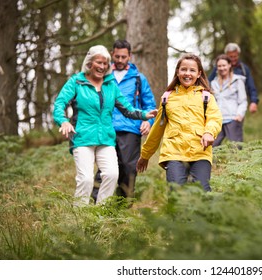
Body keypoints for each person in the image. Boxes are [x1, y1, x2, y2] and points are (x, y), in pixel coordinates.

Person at [53, 45, 157, 206]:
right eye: (98, 62)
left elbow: (127, 109)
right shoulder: (76, 81)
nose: (102, 67)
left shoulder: (110, 85)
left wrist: (145, 115)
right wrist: (64, 121)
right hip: (83, 137)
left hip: (106, 138)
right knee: (86, 179)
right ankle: (79, 218)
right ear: (89, 63)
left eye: (105, 63)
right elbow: (59, 104)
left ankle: (100, 214)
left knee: (111, 174)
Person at [136, 53, 222, 192]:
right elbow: (157, 129)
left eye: (192, 70)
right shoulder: (167, 98)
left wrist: (209, 132)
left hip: (200, 152)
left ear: (199, 74)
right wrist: (145, 155)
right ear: (177, 72)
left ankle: (202, 214)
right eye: (184, 69)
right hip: (174, 153)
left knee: (202, 191)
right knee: (176, 192)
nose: (187, 73)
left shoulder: (206, 97)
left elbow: (214, 118)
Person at [92, 39, 156, 202]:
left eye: (123, 57)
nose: (120, 60)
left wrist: (148, 122)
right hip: (107, 129)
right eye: (117, 56)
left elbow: (150, 106)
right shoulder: (103, 76)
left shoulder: (138, 79)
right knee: (105, 169)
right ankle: (94, 206)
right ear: (112, 54)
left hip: (130, 129)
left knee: (128, 168)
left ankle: (122, 207)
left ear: (130, 56)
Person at [208, 42, 259, 114]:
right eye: (230, 57)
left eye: (235, 56)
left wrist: (254, 101)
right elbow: (208, 82)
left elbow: (251, 86)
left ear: (238, 55)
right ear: (226, 55)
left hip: (239, 105)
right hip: (221, 107)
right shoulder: (218, 69)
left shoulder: (243, 69)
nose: (233, 59)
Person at [211, 54, 247, 147]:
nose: (222, 68)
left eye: (224, 65)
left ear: (229, 65)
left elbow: (243, 100)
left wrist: (239, 115)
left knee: (236, 147)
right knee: (212, 146)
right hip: (218, 120)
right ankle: (213, 162)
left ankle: (239, 162)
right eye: (219, 66)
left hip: (233, 118)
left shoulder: (237, 80)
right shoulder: (214, 83)